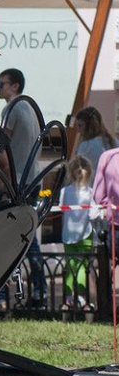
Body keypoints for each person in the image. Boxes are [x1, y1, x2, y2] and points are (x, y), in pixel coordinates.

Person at [0, 68, 45, 306]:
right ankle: (39, 291)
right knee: (28, 235)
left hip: (20, 180)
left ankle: (32, 291)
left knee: (17, 237)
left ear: (14, 86)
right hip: (34, 177)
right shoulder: (29, 107)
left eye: (1, 83)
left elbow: (1, 144)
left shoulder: (12, 108)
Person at [59, 155, 94, 311]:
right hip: (85, 234)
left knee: (70, 266)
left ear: (71, 173)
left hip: (68, 234)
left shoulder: (65, 191)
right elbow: (94, 214)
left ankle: (67, 299)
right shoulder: (90, 193)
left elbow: (60, 209)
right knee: (81, 267)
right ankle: (80, 297)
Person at [71, 106, 115, 174]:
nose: (78, 130)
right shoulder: (115, 142)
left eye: (80, 126)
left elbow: (77, 173)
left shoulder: (85, 146)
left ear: (90, 126)